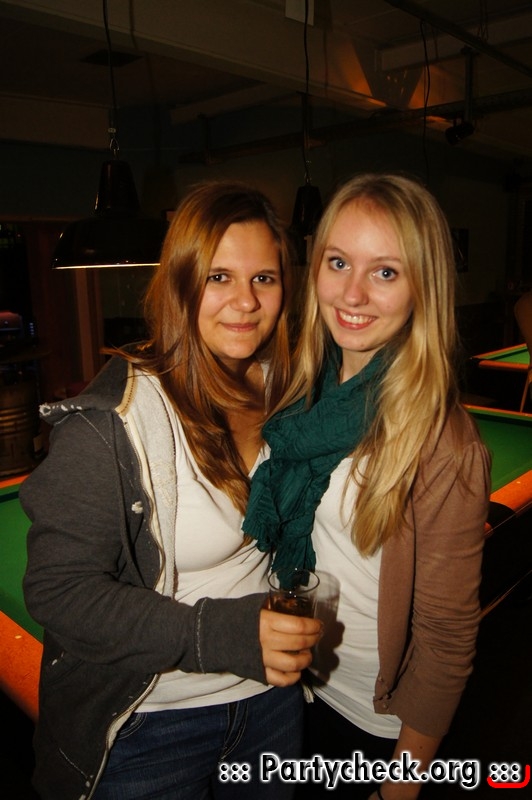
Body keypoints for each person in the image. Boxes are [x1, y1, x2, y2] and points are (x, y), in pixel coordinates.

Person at [21, 181, 322, 800]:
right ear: (181, 284)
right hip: (152, 723)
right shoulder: (111, 422)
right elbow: (59, 591)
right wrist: (221, 636)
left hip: (272, 703)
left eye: (264, 278)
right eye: (219, 277)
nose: (246, 301)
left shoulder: (287, 391)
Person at [243, 173, 492, 799]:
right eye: (338, 263)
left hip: (364, 723)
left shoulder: (443, 443)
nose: (352, 293)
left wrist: (399, 788)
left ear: (422, 287)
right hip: (281, 689)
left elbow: (445, 638)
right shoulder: (297, 385)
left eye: (385, 272)